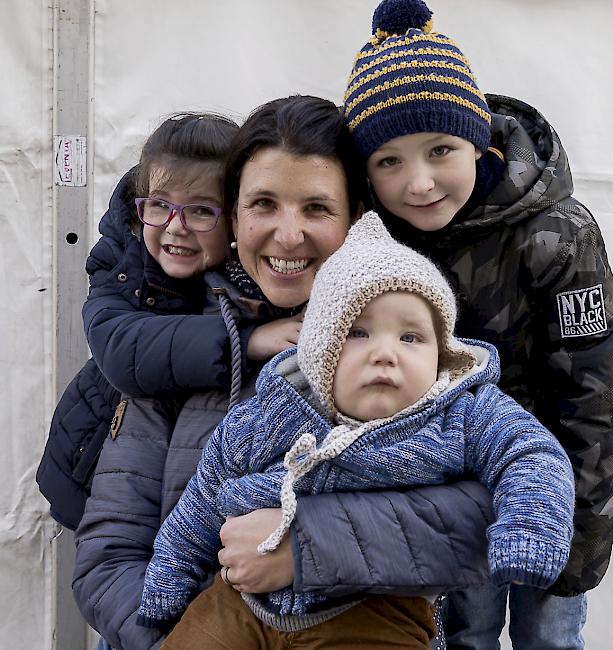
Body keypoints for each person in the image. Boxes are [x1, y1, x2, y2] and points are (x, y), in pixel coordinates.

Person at [72, 95, 495, 650]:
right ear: (233, 213)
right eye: (264, 204)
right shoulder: (169, 340)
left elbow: (481, 522)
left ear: (356, 219)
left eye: (317, 208)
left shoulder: (408, 345)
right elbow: (110, 554)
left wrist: (305, 547)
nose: (288, 235)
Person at [334, 0, 613, 648]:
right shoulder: (376, 243)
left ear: (480, 139)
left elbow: (596, 401)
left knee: (548, 639)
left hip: (553, 494)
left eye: (440, 149)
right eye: (388, 161)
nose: (418, 182)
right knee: (462, 638)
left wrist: (575, 546)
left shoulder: (557, 235)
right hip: (448, 506)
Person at [138, 211, 575, 649]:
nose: (385, 353)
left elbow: (531, 454)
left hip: (376, 607)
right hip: (243, 601)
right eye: (359, 333)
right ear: (320, 346)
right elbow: (205, 492)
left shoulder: (462, 413)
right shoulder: (273, 412)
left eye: (411, 338)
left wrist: (530, 529)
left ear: (440, 352)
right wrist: (170, 575)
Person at [36, 112, 258, 530]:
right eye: (159, 205)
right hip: (90, 463)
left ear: (235, 216)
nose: (175, 227)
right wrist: (245, 341)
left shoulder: (249, 283)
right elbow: (120, 349)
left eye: (200, 211)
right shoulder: (124, 262)